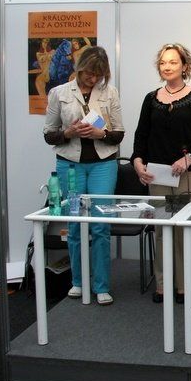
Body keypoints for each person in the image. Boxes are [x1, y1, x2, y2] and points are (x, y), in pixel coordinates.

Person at [132, 42, 191, 304]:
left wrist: (188, 158)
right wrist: (137, 162)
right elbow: (141, 135)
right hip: (157, 176)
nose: (167, 66)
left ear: (185, 66)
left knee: (182, 230)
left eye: (173, 62)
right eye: (163, 62)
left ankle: (183, 286)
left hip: (187, 175)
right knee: (161, 230)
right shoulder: (151, 99)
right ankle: (163, 284)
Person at [43, 46, 124, 306]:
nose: (93, 79)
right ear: (80, 68)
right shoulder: (58, 93)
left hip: (103, 164)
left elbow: (119, 134)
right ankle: (78, 281)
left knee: (101, 225)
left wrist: (101, 134)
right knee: (75, 224)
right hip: (70, 165)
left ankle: (101, 285)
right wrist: (69, 133)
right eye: (90, 74)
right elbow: (49, 135)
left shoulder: (110, 92)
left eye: (99, 75)